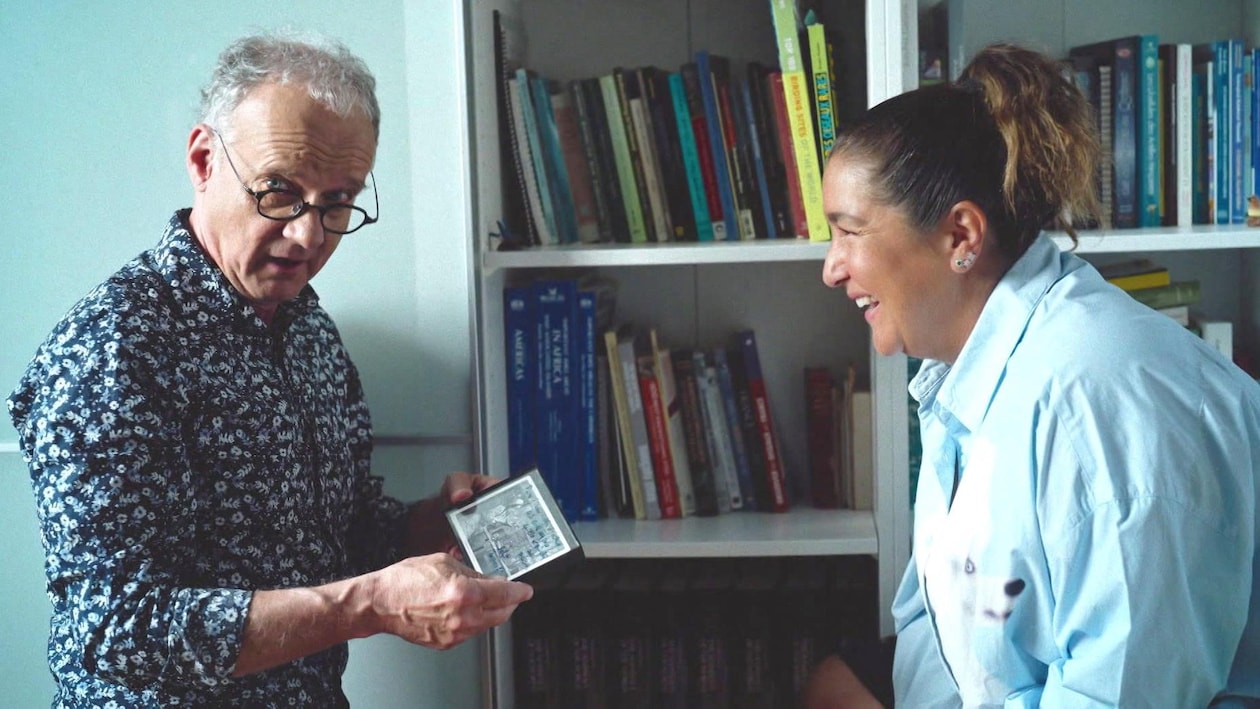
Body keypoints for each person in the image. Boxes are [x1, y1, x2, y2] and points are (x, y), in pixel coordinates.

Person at [6, 31, 533, 706]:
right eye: (279, 192)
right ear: (203, 160)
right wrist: (368, 604)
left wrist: (432, 523)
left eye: (339, 201)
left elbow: (335, 536)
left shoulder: (309, 327)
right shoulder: (112, 348)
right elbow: (112, 630)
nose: (310, 235)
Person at [810, 42, 1260, 706]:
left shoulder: (1097, 407)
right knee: (834, 685)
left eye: (850, 232)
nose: (831, 267)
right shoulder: (965, 368)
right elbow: (935, 626)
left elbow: (1125, 689)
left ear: (961, 235)